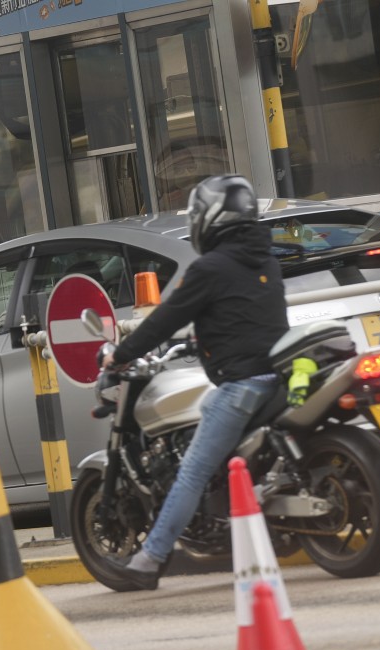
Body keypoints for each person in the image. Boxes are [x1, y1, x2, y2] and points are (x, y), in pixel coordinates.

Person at [101, 174, 289, 591]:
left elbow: (165, 318)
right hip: (276, 376)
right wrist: (196, 339)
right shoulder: (266, 259)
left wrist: (121, 354)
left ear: (211, 218)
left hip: (242, 383)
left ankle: (150, 560)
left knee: (192, 472)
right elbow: (241, 316)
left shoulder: (211, 267)